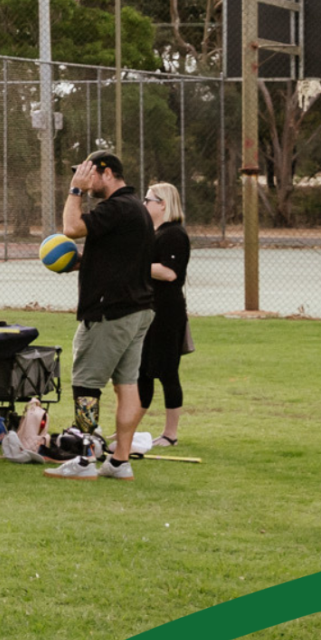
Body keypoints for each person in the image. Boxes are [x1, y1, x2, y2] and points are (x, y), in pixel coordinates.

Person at [46, 152, 154, 482]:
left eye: (85, 174)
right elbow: (117, 258)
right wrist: (83, 263)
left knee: (86, 385)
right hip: (136, 309)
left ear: (105, 173)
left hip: (110, 313)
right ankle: (119, 462)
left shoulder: (118, 206)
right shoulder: (135, 208)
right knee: (127, 385)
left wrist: (75, 191)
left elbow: (71, 227)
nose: (81, 179)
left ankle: (85, 459)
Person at [137, 183, 190, 448]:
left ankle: (171, 433)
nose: (144, 204)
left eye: (148, 199)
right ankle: (129, 428)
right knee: (142, 372)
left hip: (167, 314)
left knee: (167, 372)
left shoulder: (173, 234)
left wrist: (134, 267)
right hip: (147, 312)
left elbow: (169, 272)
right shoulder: (152, 233)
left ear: (163, 204)